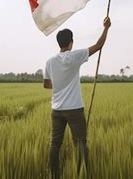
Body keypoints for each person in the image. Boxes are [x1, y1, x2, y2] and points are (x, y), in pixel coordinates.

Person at [43, 17, 111, 178]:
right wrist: (106, 27)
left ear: (59, 43)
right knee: (80, 143)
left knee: (55, 144)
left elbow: (46, 85)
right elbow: (99, 45)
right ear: (71, 42)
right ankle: (82, 174)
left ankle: (54, 175)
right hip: (74, 110)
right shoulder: (74, 56)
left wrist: (59, 84)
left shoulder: (50, 62)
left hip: (56, 110)